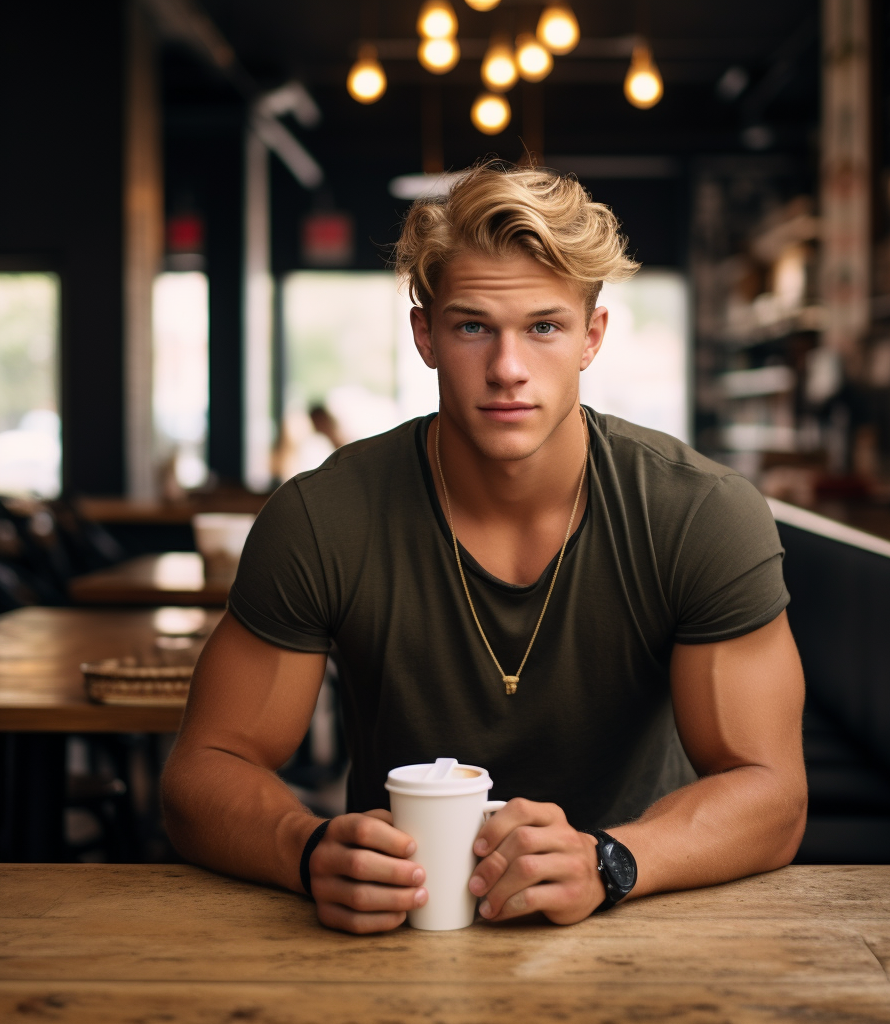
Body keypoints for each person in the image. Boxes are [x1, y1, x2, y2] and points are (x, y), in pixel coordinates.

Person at [161, 162, 807, 934]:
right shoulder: (322, 516)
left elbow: (772, 793)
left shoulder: (699, 513)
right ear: (425, 334)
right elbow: (204, 768)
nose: (508, 369)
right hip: (395, 932)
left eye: (544, 327)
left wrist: (612, 860)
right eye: (473, 327)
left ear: (590, 338)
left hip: (637, 918)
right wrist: (304, 850)